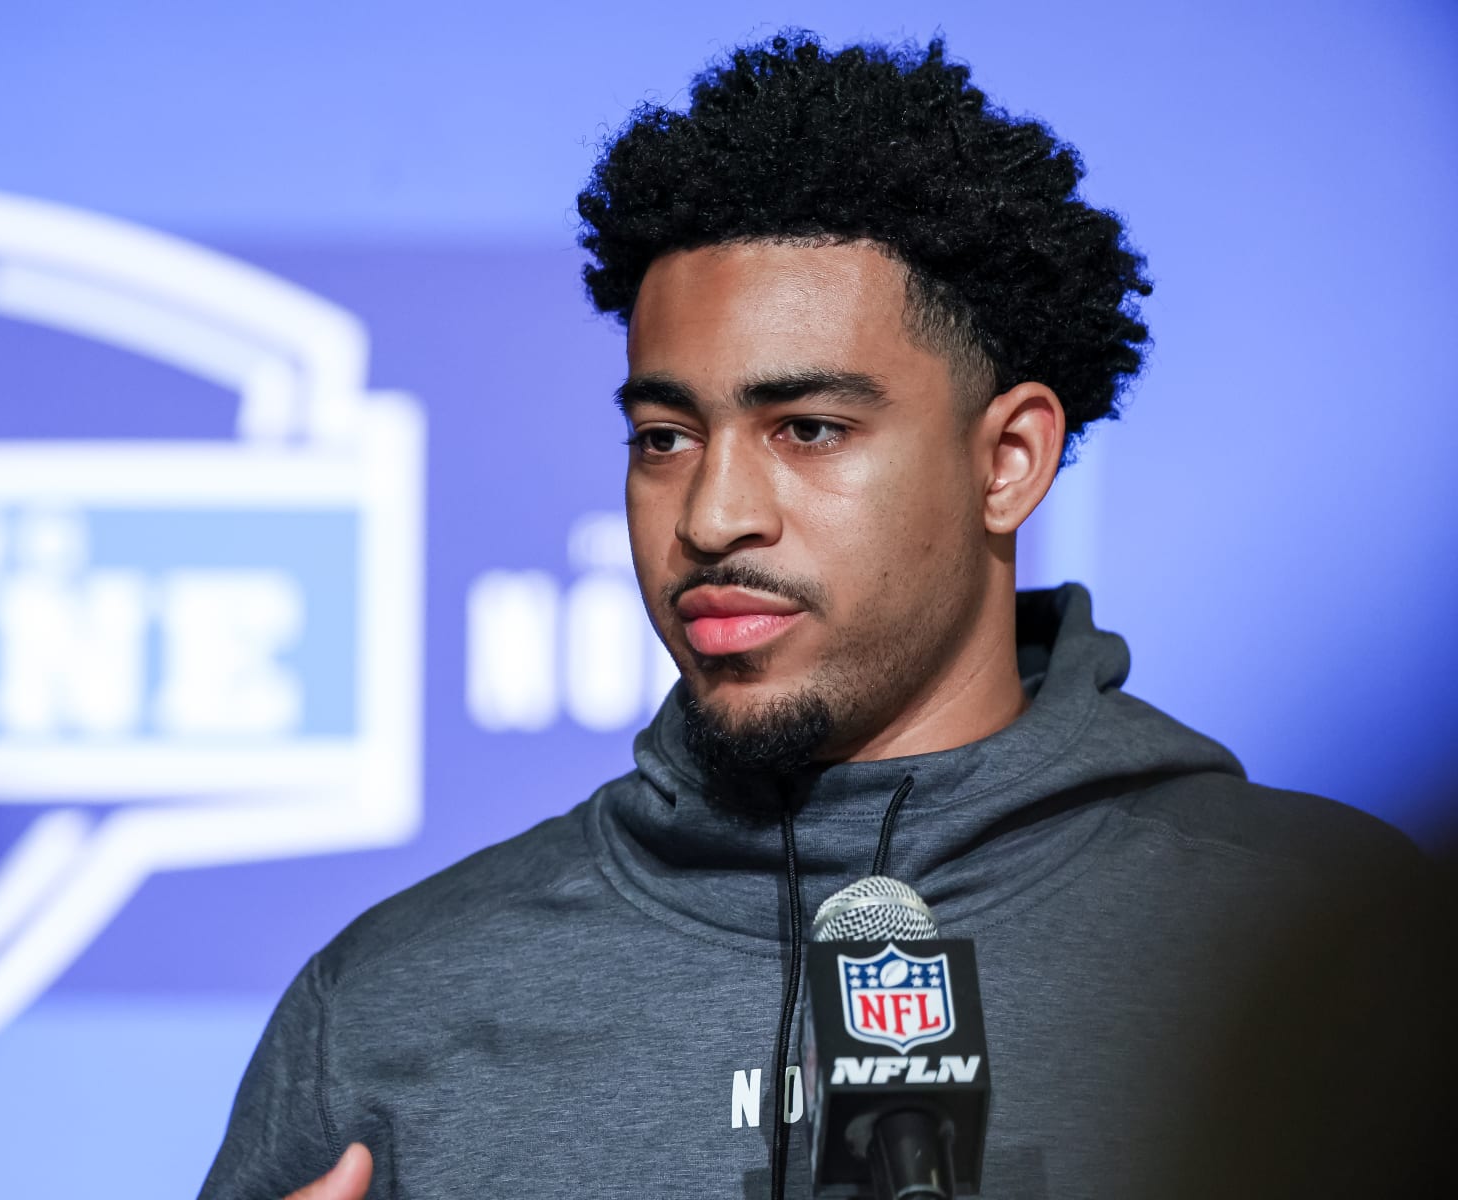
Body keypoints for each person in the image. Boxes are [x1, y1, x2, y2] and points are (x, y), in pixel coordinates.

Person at [197, 34, 1431, 1200]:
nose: (713, 513)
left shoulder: (1335, 951)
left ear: (1009, 459)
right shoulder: (392, 1007)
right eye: (665, 438)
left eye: (810, 430)